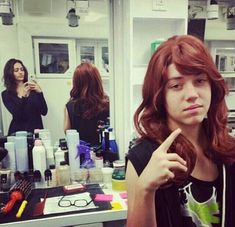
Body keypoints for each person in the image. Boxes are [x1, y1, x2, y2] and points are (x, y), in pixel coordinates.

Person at [126, 35, 235, 227]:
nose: (192, 95)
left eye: (200, 81)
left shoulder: (228, 152)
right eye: (176, 86)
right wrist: (145, 188)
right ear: (159, 96)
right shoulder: (143, 158)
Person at [64, 62, 109, 146]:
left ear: (76, 83)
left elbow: (67, 132)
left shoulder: (70, 106)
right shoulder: (107, 104)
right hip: (102, 154)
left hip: (79, 154)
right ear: (97, 80)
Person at [1, 58, 48, 135]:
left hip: (36, 131)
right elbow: (17, 115)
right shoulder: (6, 94)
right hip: (18, 133)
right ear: (9, 73)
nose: (20, 72)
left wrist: (40, 93)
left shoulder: (33, 90)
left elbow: (44, 111)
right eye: (16, 70)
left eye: (22, 69)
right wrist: (24, 97)